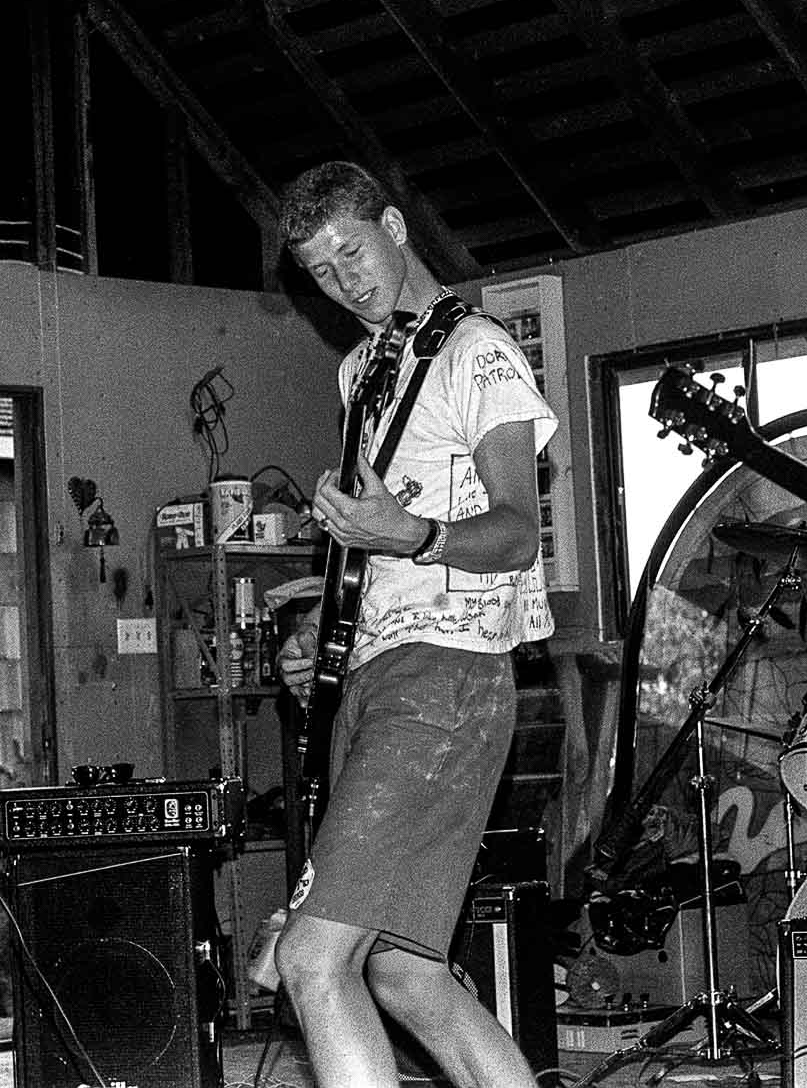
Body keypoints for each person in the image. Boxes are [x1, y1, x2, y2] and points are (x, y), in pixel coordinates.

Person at [271, 160, 556, 1088]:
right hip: (380, 673)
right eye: (320, 269)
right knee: (401, 970)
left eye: (353, 250)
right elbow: (376, 537)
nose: (344, 279)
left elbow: (516, 531)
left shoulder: (476, 352)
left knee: (315, 962)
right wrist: (326, 619)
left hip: (446, 680)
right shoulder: (360, 368)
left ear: (395, 223)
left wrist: (415, 531)